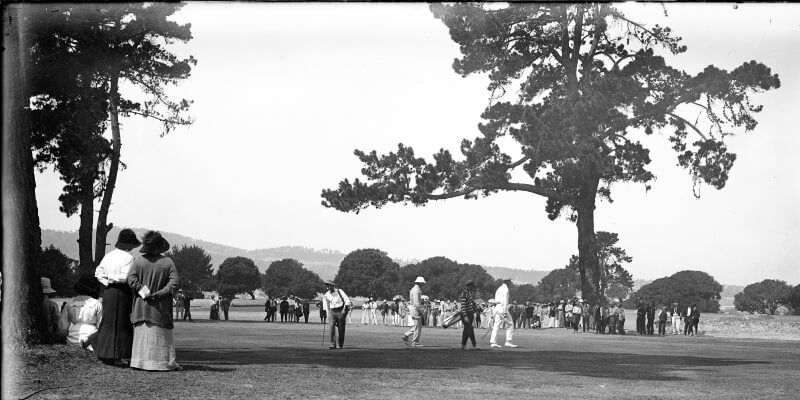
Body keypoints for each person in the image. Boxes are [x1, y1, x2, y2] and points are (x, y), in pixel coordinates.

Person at [127, 231, 180, 371]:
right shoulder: (167, 262)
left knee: (142, 337)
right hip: (161, 309)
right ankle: (164, 363)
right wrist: (160, 294)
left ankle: (140, 363)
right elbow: (174, 283)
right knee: (162, 337)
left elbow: (131, 280)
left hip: (142, 308)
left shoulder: (138, 261)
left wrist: (145, 293)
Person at [91, 228, 140, 365]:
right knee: (120, 323)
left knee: (108, 322)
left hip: (108, 291)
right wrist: (112, 278)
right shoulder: (129, 258)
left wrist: (106, 281)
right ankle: (116, 356)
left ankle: (103, 351)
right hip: (121, 292)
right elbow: (125, 277)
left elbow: (98, 272)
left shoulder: (109, 256)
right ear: (129, 244)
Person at [58, 274, 103, 350]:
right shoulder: (97, 303)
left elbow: (63, 329)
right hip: (92, 343)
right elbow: (101, 328)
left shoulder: (70, 303)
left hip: (72, 341)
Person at [322, 281, 351, 349]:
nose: (329, 287)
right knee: (331, 328)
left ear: (333, 286)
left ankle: (340, 344)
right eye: (328, 286)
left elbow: (347, 300)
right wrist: (327, 313)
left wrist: (344, 309)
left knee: (341, 329)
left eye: (330, 286)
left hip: (340, 310)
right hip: (332, 311)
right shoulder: (327, 294)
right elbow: (326, 305)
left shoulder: (339, 291)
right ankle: (332, 344)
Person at [490, 278, 517, 348]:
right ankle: (508, 341)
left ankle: (493, 342)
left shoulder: (499, 288)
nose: (511, 283)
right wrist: (505, 311)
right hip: (502, 308)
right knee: (510, 324)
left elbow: (495, 300)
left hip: (497, 307)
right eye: (510, 282)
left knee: (496, 325)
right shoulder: (506, 290)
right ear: (508, 282)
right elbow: (505, 301)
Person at [402, 276, 426, 347]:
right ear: (419, 283)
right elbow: (416, 303)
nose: (423, 284)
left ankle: (406, 335)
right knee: (417, 326)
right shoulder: (416, 290)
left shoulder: (414, 289)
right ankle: (415, 342)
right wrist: (420, 311)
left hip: (414, 308)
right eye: (422, 283)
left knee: (418, 326)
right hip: (415, 309)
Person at [41, 277, 65, 344]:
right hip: (50, 336)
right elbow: (56, 322)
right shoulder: (53, 305)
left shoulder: (30, 304)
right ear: (49, 293)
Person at [459, 281, 479, 350]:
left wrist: (476, 308)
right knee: (470, 329)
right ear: (469, 286)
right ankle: (474, 345)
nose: (473, 288)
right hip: (466, 314)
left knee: (466, 330)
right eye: (472, 287)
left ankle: (463, 345)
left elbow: (471, 302)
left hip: (470, 313)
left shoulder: (469, 293)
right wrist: (465, 316)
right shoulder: (464, 294)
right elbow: (463, 306)